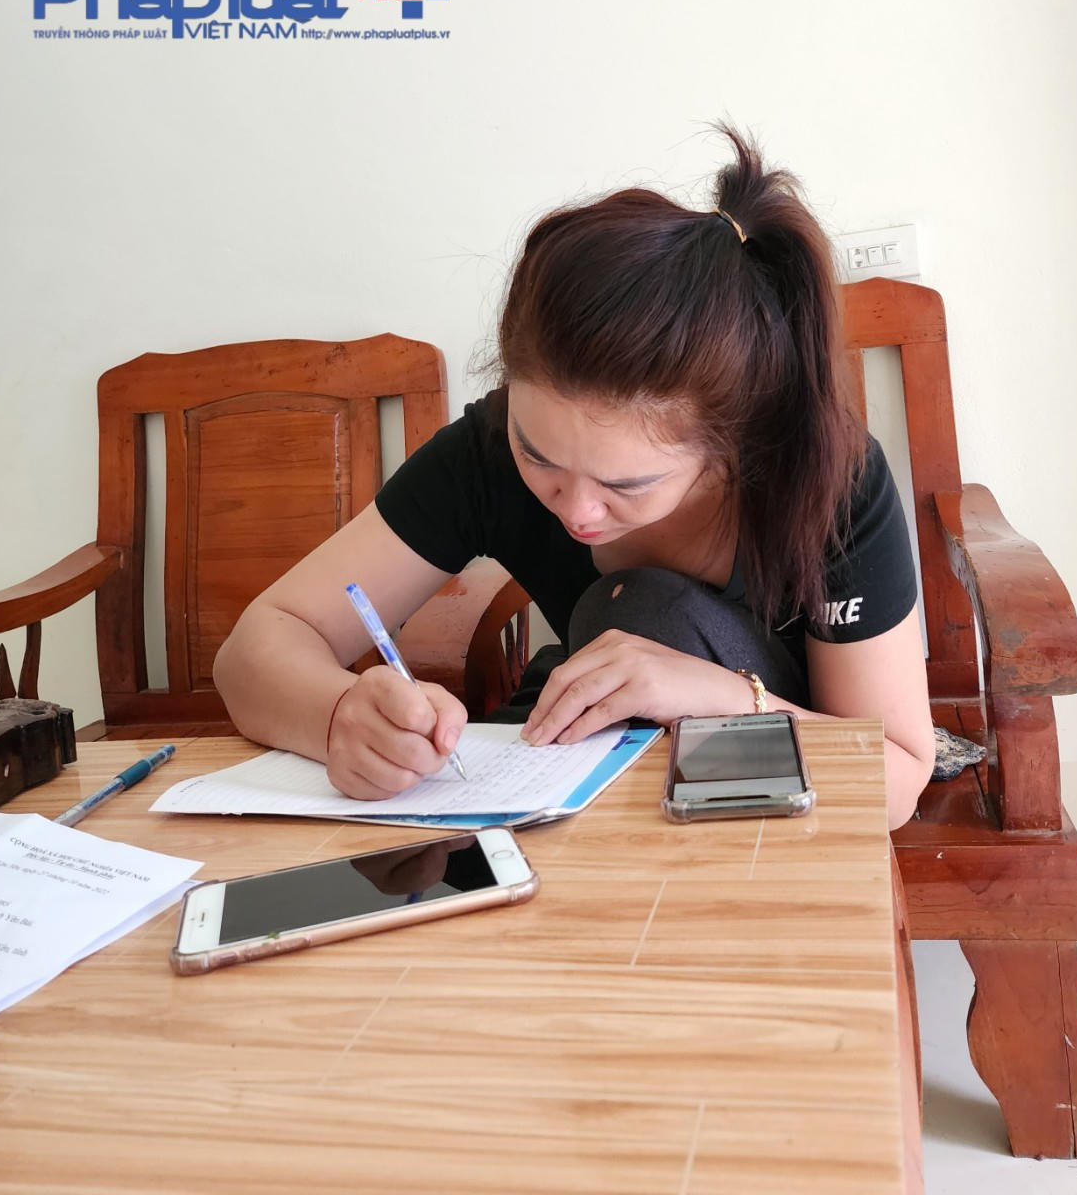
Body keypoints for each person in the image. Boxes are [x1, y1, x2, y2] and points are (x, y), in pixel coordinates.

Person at [214, 128, 935, 830]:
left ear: (729, 444)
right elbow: (258, 646)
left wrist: (718, 696)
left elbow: (899, 776)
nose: (579, 513)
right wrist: (339, 715)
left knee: (646, 611)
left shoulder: (829, 481)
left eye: (627, 486)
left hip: (782, 813)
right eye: (539, 457)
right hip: (607, 804)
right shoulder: (487, 451)